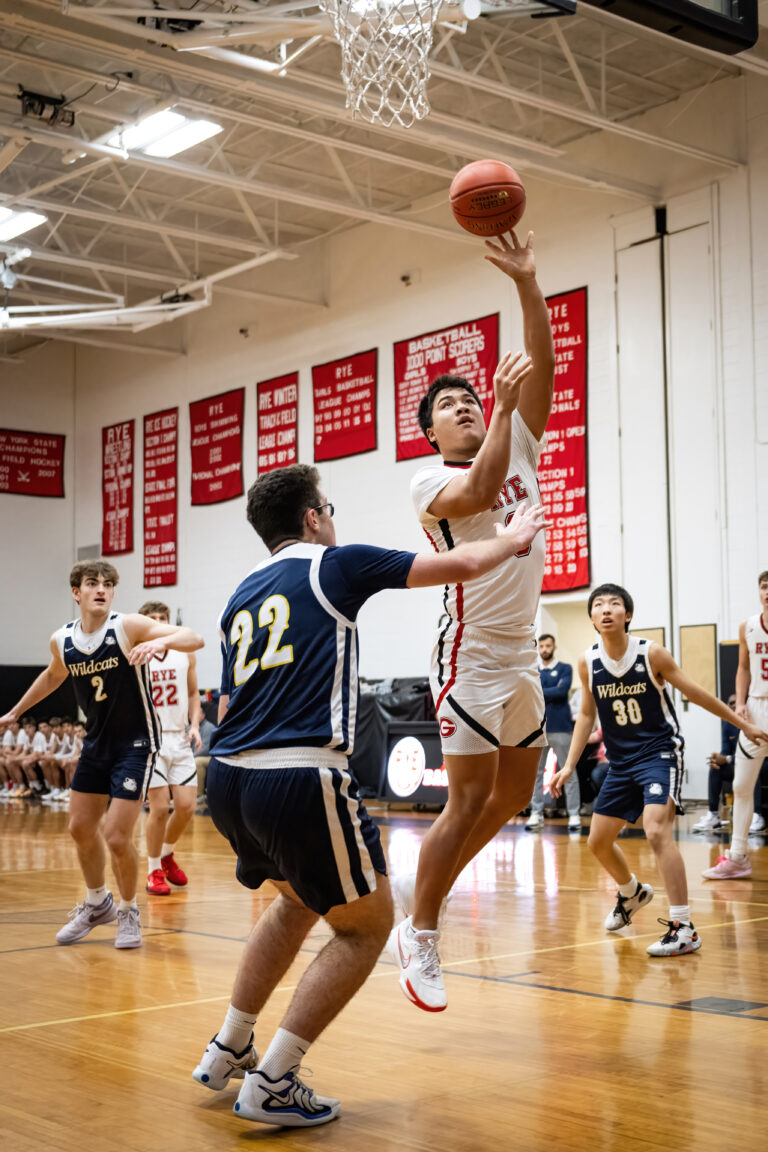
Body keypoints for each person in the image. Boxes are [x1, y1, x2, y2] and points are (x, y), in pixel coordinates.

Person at [192, 463, 547, 1127]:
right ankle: (272, 1080)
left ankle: (229, 1045)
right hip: (297, 772)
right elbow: (461, 561)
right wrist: (514, 534)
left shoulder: (238, 594)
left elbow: (230, 696)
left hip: (229, 775)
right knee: (366, 928)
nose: (333, 518)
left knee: (296, 901)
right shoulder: (336, 563)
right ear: (312, 518)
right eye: (328, 508)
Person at [391, 228, 555, 1011]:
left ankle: (432, 887)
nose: (462, 408)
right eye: (447, 407)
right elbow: (484, 492)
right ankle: (421, 929)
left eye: (469, 398)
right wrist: (496, 410)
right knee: (464, 800)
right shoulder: (428, 482)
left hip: (523, 652)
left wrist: (527, 283)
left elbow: (545, 363)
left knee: (514, 797)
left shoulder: (518, 439)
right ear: (432, 433)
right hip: (468, 656)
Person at [550, 583, 768, 956]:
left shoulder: (651, 654)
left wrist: (743, 723)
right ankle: (631, 893)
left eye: (614, 604)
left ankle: (684, 927)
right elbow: (587, 713)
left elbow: (697, 693)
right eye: (598, 605)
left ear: (627, 615)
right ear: (591, 617)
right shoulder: (588, 661)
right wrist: (569, 764)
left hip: (659, 753)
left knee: (655, 830)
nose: (606, 610)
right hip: (620, 762)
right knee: (598, 842)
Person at [0, 560, 204, 948]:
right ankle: (97, 904)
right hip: (95, 743)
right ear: (76, 592)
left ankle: (129, 911)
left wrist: (161, 641)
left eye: (107, 584)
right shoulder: (62, 639)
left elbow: (194, 637)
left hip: (136, 744)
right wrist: (15, 712)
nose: (101, 589)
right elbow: (53, 675)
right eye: (92, 583)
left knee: (114, 835)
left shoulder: (126, 626)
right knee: (79, 828)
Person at [702, 571, 768, 877]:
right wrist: (740, 703)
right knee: (741, 785)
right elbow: (743, 667)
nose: (767, 592)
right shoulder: (749, 626)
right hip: (756, 707)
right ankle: (739, 856)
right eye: (764, 587)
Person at [139, 600, 203, 896]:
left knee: (187, 807)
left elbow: (193, 693)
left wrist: (194, 725)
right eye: (152, 618)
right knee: (160, 807)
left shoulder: (183, 653)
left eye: (162, 618)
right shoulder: (137, 656)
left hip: (180, 738)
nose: (158, 622)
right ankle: (153, 869)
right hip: (152, 740)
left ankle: (166, 854)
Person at [526, 634, 581, 831]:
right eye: (541, 646)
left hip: (561, 727)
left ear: (554, 647)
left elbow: (561, 691)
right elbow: (528, 692)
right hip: (537, 728)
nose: (544, 649)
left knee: (568, 770)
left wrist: (538, 690)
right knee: (535, 773)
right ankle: (536, 813)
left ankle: (574, 814)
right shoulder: (532, 670)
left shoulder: (565, 668)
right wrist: (546, 690)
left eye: (548, 645)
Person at [692, 693, 765, 833]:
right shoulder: (727, 726)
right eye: (731, 703)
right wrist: (718, 759)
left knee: (751, 767)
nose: (733, 706)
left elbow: (756, 753)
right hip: (738, 764)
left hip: (761, 763)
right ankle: (713, 816)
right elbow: (725, 753)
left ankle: (757, 816)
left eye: (736, 702)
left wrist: (726, 759)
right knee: (715, 768)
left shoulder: (756, 722)